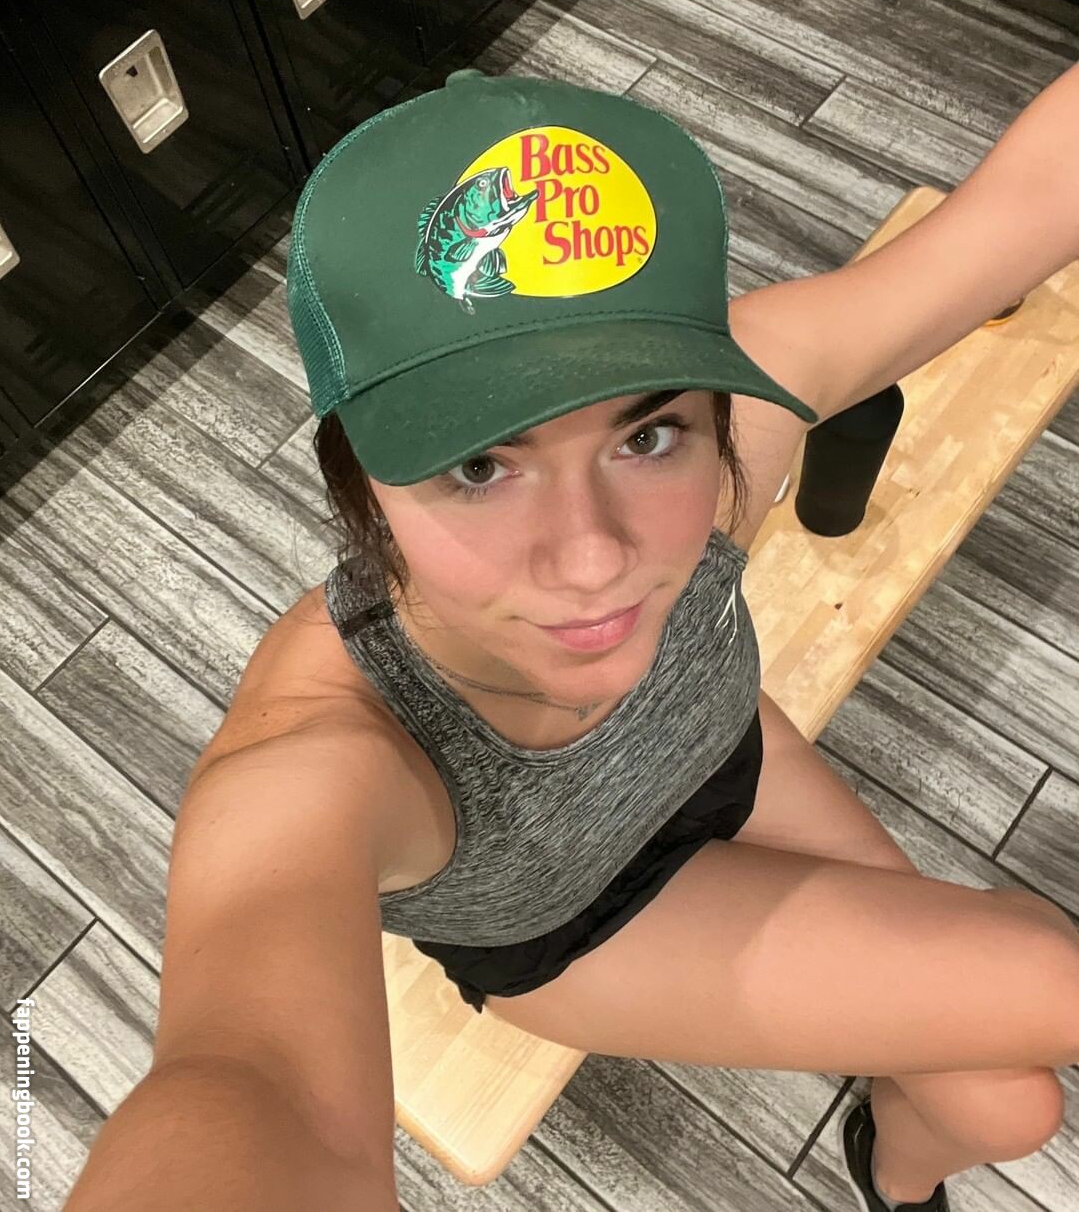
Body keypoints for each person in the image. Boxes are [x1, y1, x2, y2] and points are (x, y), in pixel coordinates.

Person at [64, 69, 1079, 1212]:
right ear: (360, 484)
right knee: (1044, 997)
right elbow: (255, 1085)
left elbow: (1017, 209)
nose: (594, 559)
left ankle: (889, 1172)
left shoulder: (737, 431)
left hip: (718, 756)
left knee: (1006, 1107)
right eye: (480, 464)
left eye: (646, 437)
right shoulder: (325, 757)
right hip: (582, 926)